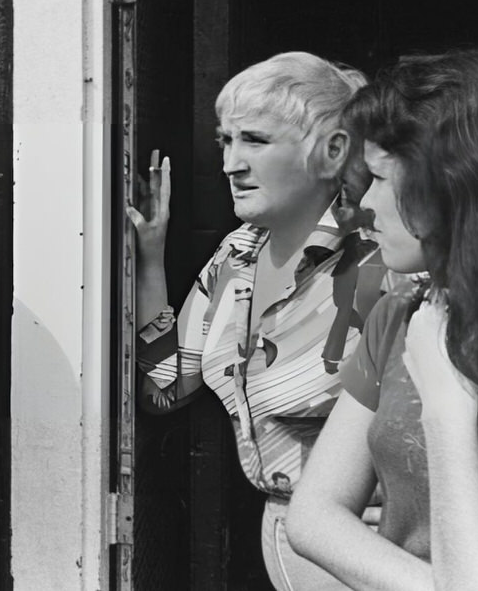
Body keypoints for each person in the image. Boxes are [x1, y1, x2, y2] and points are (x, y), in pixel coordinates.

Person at [127, 51, 413, 591]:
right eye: (226, 142)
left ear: (332, 151)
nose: (231, 163)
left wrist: (414, 512)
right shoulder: (236, 257)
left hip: (372, 547)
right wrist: (148, 258)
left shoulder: (384, 262)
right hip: (283, 537)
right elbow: (164, 388)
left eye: (254, 140)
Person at [287, 46, 478, 590]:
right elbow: (312, 515)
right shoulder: (400, 318)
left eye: (380, 178)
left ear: (458, 186)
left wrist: (446, 404)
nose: (361, 204)